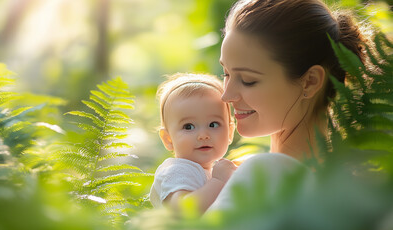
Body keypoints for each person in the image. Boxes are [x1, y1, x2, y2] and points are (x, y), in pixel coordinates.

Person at [206, 0, 371, 211]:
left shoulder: (265, 174)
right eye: (226, 74)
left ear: (310, 81)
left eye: (248, 80)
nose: (226, 95)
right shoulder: (353, 191)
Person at [150, 73, 236, 214]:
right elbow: (183, 211)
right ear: (168, 139)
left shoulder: (210, 171)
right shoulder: (178, 171)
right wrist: (219, 181)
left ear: (230, 132)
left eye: (213, 124)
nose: (203, 135)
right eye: (188, 126)